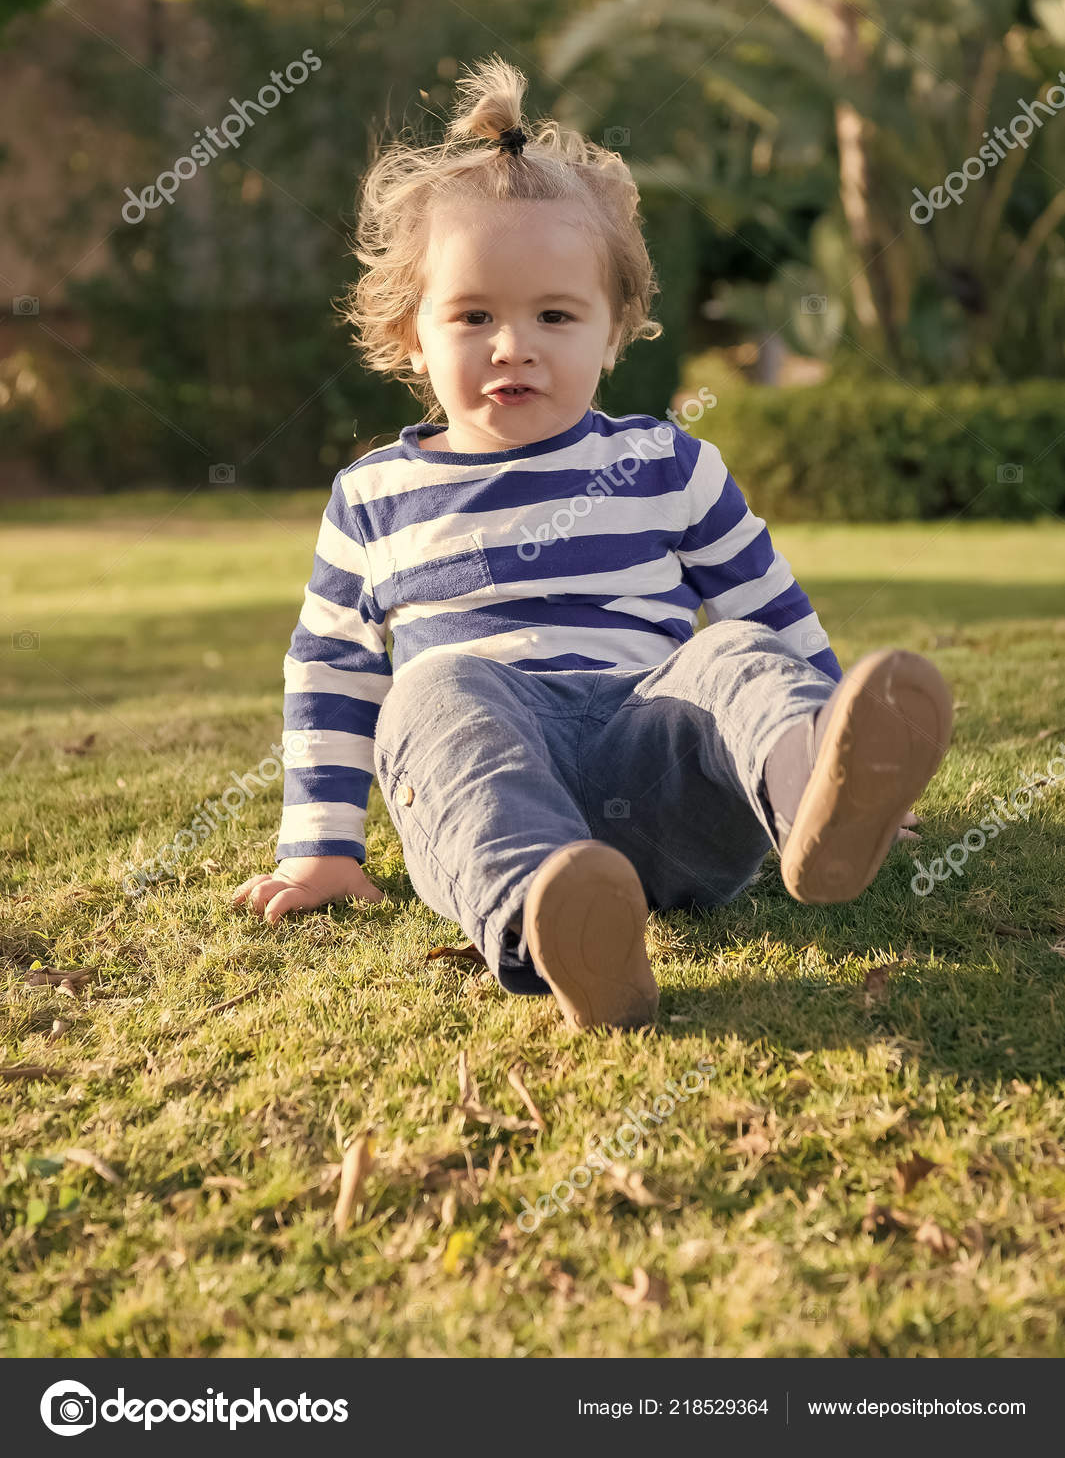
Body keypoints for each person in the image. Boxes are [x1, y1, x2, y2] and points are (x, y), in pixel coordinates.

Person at [233, 54, 952, 1031]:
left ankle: (812, 800)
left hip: (659, 768)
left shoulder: (668, 463)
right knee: (433, 686)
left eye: (555, 315)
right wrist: (322, 845)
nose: (512, 344)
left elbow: (770, 609)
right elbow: (331, 673)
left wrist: (829, 733)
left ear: (615, 331)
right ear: (411, 334)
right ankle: (560, 916)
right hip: (491, 783)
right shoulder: (376, 496)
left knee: (731, 652)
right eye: (474, 314)